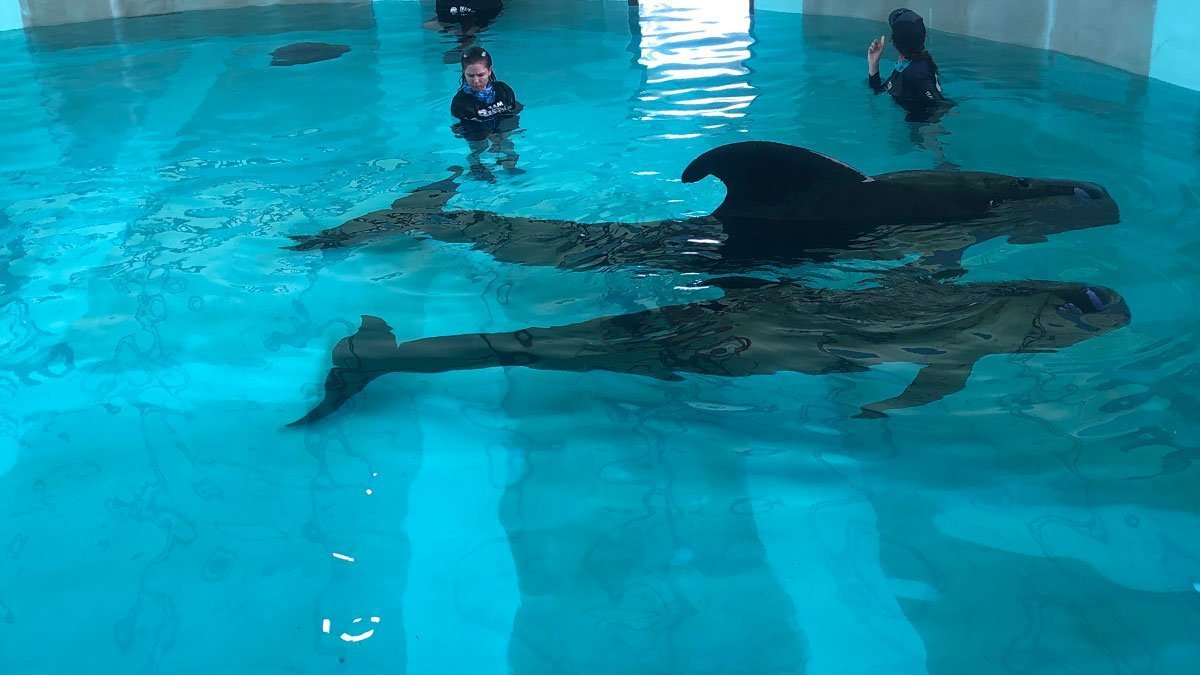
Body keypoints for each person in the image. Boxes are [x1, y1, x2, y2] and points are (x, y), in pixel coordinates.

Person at [450, 46, 523, 179]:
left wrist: (500, 137)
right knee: (479, 147)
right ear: (464, 73)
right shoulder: (461, 102)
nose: (476, 81)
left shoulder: (503, 90)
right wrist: (490, 136)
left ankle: (511, 170)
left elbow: (513, 114)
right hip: (476, 131)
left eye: (480, 75)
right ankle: (476, 167)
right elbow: (463, 126)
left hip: (501, 127)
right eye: (470, 76)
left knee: (508, 146)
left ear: (489, 71)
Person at [866, 8, 947, 119]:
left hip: (920, 128)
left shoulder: (916, 71)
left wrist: (925, 131)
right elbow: (881, 90)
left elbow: (940, 104)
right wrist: (873, 64)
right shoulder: (906, 66)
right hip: (910, 124)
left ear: (894, 42)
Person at [423, 0, 505, 62]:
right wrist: (454, 31)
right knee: (428, 25)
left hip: (478, 21)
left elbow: (493, 14)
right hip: (454, 22)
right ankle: (466, 43)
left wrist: (474, 30)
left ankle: (470, 44)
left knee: (474, 32)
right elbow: (443, 17)